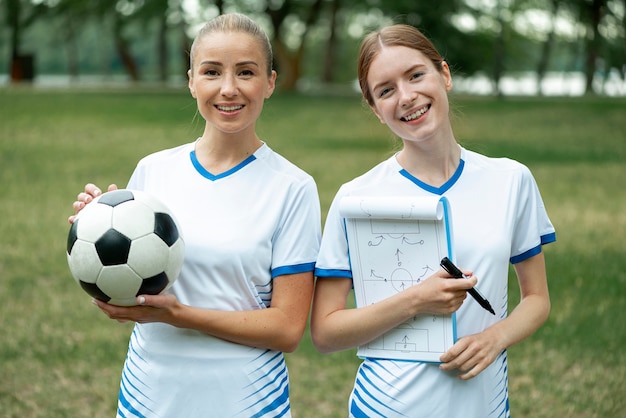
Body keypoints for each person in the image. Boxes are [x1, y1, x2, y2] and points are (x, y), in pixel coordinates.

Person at [69, 13, 321, 417]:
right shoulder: (153, 170)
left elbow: (288, 329)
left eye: (246, 72)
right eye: (211, 72)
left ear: (270, 82)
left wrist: (179, 314)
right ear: (191, 81)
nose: (228, 88)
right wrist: (95, 225)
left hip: (246, 399)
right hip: (150, 394)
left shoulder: (293, 187)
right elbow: (127, 287)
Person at [311, 24, 555, 418]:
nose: (406, 97)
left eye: (415, 75)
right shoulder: (355, 198)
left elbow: (537, 300)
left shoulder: (511, 180)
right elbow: (325, 332)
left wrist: (495, 338)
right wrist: (415, 300)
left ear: (444, 74)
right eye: (386, 90)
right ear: (375, 108)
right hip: (384, 407)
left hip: (484, 406)